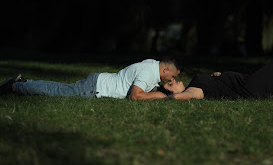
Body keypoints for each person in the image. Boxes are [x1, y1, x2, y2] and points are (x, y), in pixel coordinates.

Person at [0, 58, 183, 100]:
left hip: (98, 81)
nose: (172, 78)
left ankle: (24, 83)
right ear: (165, 69)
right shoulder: (148, 72)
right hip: (96, 87)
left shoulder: (152, 65)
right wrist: (163, 95)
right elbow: (135, 96)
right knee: (58, 91)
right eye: (173, 76)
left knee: (60, 88)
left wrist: (164, 88)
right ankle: (16, 86)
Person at [159, 58, 273, 101]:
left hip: (246, 83)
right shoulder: (193, 90)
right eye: (170, 85)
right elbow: (182, 97)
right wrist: (167, 98)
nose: (173, 81)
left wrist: (215, 76)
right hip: (247, 87)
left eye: (170, 81)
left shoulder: (195, 84)